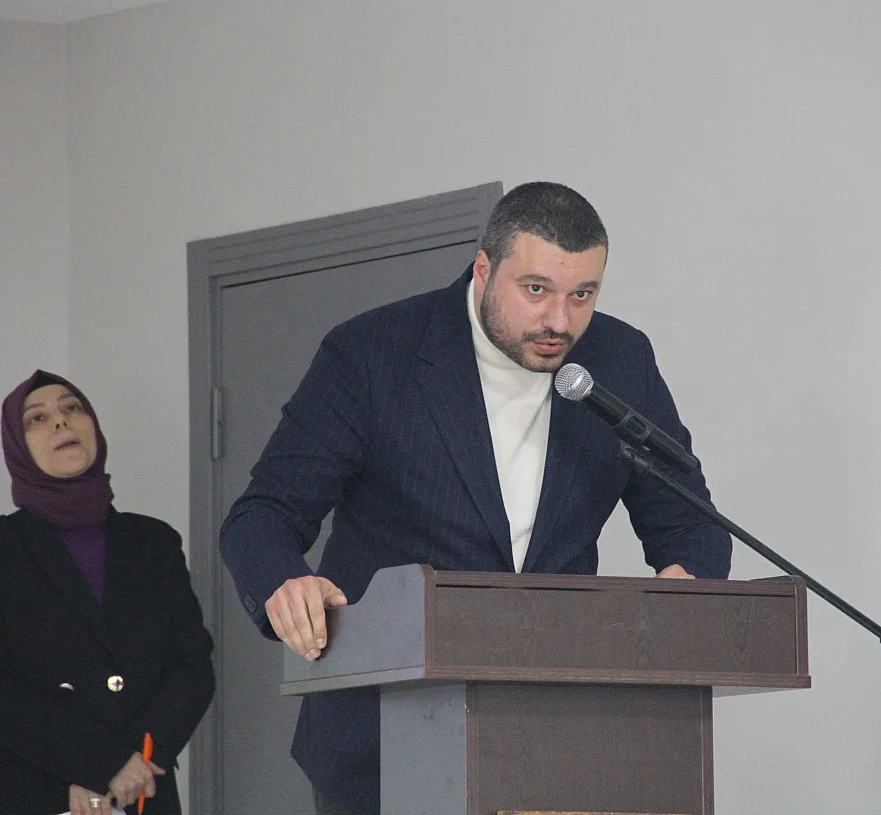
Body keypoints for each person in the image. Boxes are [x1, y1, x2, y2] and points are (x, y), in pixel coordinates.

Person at [219, 181, 732, 815]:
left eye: (583, 294)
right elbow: (263, 514)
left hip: (560, 738)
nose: (560, 321)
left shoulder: (621, 359)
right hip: (382, 738)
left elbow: (691, 521)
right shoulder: (373, 353)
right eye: (536, 289)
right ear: (484, 269)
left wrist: (688, 589)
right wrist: (284, 582)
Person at [0, 371, 216, 815]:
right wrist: (100, 764)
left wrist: (131, 766)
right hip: (27, 792)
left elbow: (191, 667)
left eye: (72, 408)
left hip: (139, 790)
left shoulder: (154, 541)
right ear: (17, 445)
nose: (61, 422)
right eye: (37, 418)